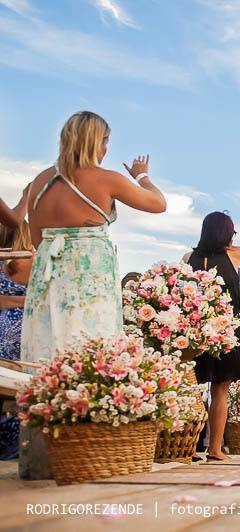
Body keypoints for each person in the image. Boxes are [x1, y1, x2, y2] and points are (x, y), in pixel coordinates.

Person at [20, 111, 167, 479]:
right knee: (92, 351)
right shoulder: (106, 178)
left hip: (47, 278)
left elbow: (37, 239)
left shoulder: (39, 183)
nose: (105, 149)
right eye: (105, 142)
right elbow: (158, 203)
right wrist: (142, 176)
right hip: (88, 279)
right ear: (95, 141)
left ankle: (43, 458)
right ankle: (92, 452)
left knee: (46, 353)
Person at [184, 211, 240, 460]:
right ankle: (214, 449)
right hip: (226, 329)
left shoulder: (188, 258)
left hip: (195, 330)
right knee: (220, 390)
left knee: (191, 386)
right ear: (227, 233)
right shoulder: (234, 254)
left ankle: (186, 447)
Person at [0, 221, 33, 460]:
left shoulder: (4, 264)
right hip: (25, 328)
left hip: (4, 327)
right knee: (22, 386)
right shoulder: (32, 262)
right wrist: (26, 302)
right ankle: (15, 446)